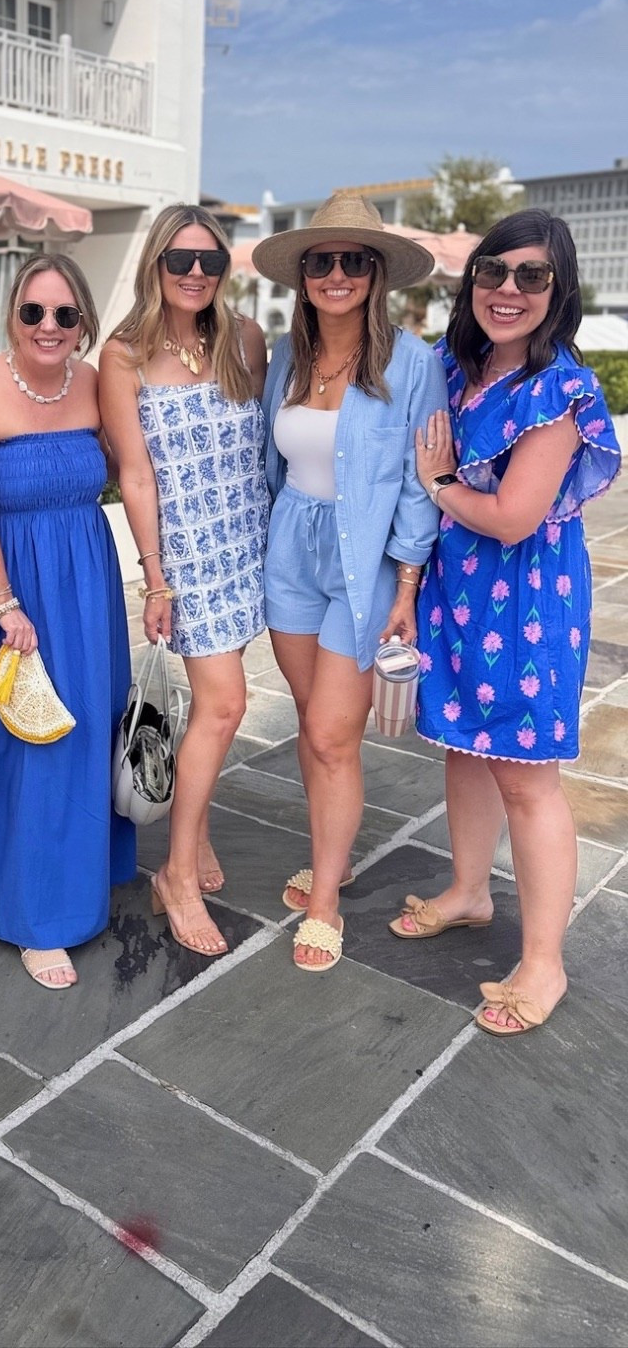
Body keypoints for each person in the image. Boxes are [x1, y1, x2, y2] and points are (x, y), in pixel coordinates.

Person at [392, 210, 620, 1036]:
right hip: (460, 593)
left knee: (526, 778)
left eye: (531, 276)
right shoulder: (464, 369)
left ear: (559, 291)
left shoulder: (560, 388)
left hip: (524, 602)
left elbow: (516, 517)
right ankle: (468, 890)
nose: (509, 290)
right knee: (464, 746)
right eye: (494, 272)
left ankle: (545, 961)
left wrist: (441, 483)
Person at [254, 192, 446, 972]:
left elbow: (420, 481)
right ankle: (328, 854)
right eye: (322, 261)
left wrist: (406, 584)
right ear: (303, 275)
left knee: (336, 734)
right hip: (291, 550)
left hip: (363, 562)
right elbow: (272, 465)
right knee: (311, 721)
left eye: (352, 261)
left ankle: (328, 901)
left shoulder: (413, 362)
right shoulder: (284, 356)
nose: (336, 274)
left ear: (376, 274)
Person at [0, 254, 136, 989]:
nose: (48, 327)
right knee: (24, 745)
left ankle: (80, 875)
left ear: (83, 321)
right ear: (12, 315)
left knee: (83, 728)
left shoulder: (96, 384)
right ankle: (34, 914)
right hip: (5, 589)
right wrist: (4, 604)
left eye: (64, 314)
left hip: (85, 581)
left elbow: (131, 467)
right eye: (33, 312)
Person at [99, 204, 268, 958]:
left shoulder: (244, 341)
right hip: (187, 554)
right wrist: (155, 578)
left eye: (209, 260)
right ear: (155, 266)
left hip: (247, 542)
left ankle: (193, 840)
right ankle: (176, 872)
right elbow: (135, 475)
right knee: (226, 704)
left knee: (221, 703)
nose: (195, 273)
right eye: (180, 260)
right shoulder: (126, 353)